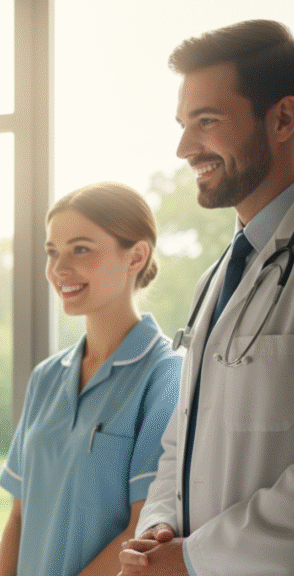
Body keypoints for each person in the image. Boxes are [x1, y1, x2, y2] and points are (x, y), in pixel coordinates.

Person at [119, 19, 294, 576]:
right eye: (182, 123)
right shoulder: (216, 279)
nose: (184, 147)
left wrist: (194, 558)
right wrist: (161, 527)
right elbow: (183, 439)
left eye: (206, 122)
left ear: (284, 118)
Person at [0, 182, 181, 576]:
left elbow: (141, 530)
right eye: (52, 252)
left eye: (81, 249)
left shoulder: (166, 376)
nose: (59, 268)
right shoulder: (46, 377)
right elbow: (19, 516)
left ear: (136, 257)